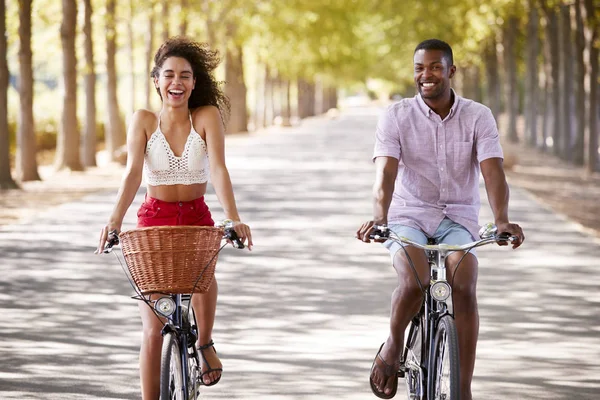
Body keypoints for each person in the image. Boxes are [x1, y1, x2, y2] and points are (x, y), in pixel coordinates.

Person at [356, 39, 524, 400]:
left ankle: (463, 389)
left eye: (434, 67)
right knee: (415, 281)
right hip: (407, 215)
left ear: (451, 71)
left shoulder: (478, 116)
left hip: (458, 217)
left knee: (464, 283)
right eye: (419, 68)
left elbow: (493, 173)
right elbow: (385, 175)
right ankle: (393, 345)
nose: (426, 75)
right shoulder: (397, 116)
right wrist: (379, 218)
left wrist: (502, 220)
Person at [94, 36, 253, 399]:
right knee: (152, 328)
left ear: (195, 82)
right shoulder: (144, 121)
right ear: (156, 80)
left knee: (203, 276)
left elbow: (218, 169)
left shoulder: (206, 116)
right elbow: (133, 173)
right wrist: (114, 221)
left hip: (197, 216)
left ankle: (205, 343)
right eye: (169, 75)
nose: (176, 82)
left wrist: (233, 218)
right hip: (154, 219)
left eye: (185, 75)